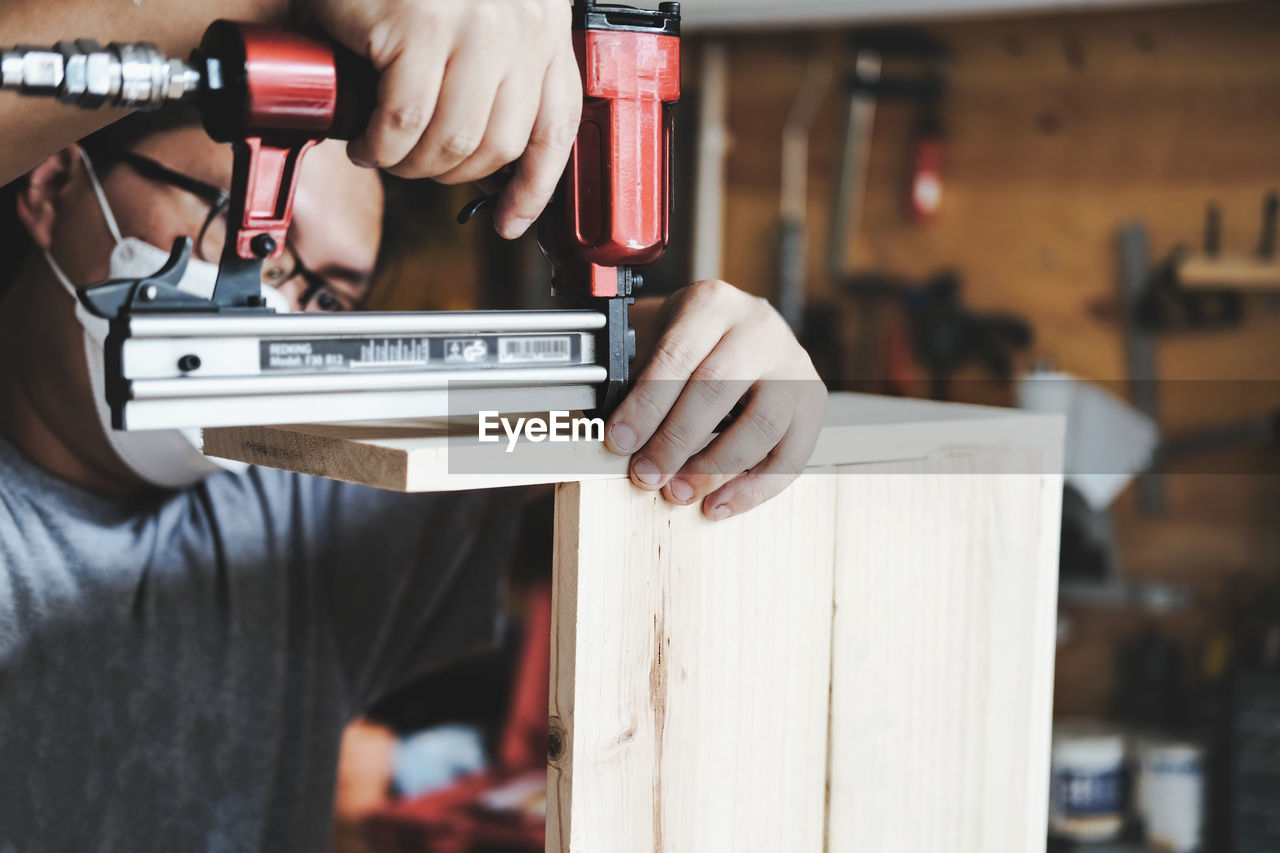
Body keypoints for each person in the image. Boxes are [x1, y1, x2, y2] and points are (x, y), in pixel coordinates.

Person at [0, 1, 827, 848]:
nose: (277, 306)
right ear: (53, 181)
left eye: (326, 296)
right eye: (242, 226)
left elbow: (621, 423)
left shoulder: (296, 504)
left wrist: (712, 356)